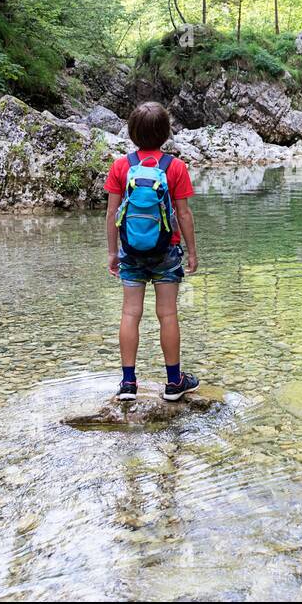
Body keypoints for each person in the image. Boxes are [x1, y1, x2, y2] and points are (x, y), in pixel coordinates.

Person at [104, 101, 200, 401]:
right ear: (166, 133)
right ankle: (174, 382)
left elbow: (111, 214)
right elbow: (183, 215)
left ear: (132, 133)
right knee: (167, 314)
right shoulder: (175, 167)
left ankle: (129, 384)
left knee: (130, 313)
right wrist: (193, 251)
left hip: (131, 251)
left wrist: (112, 252)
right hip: (166, 252)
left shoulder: (122, 166)